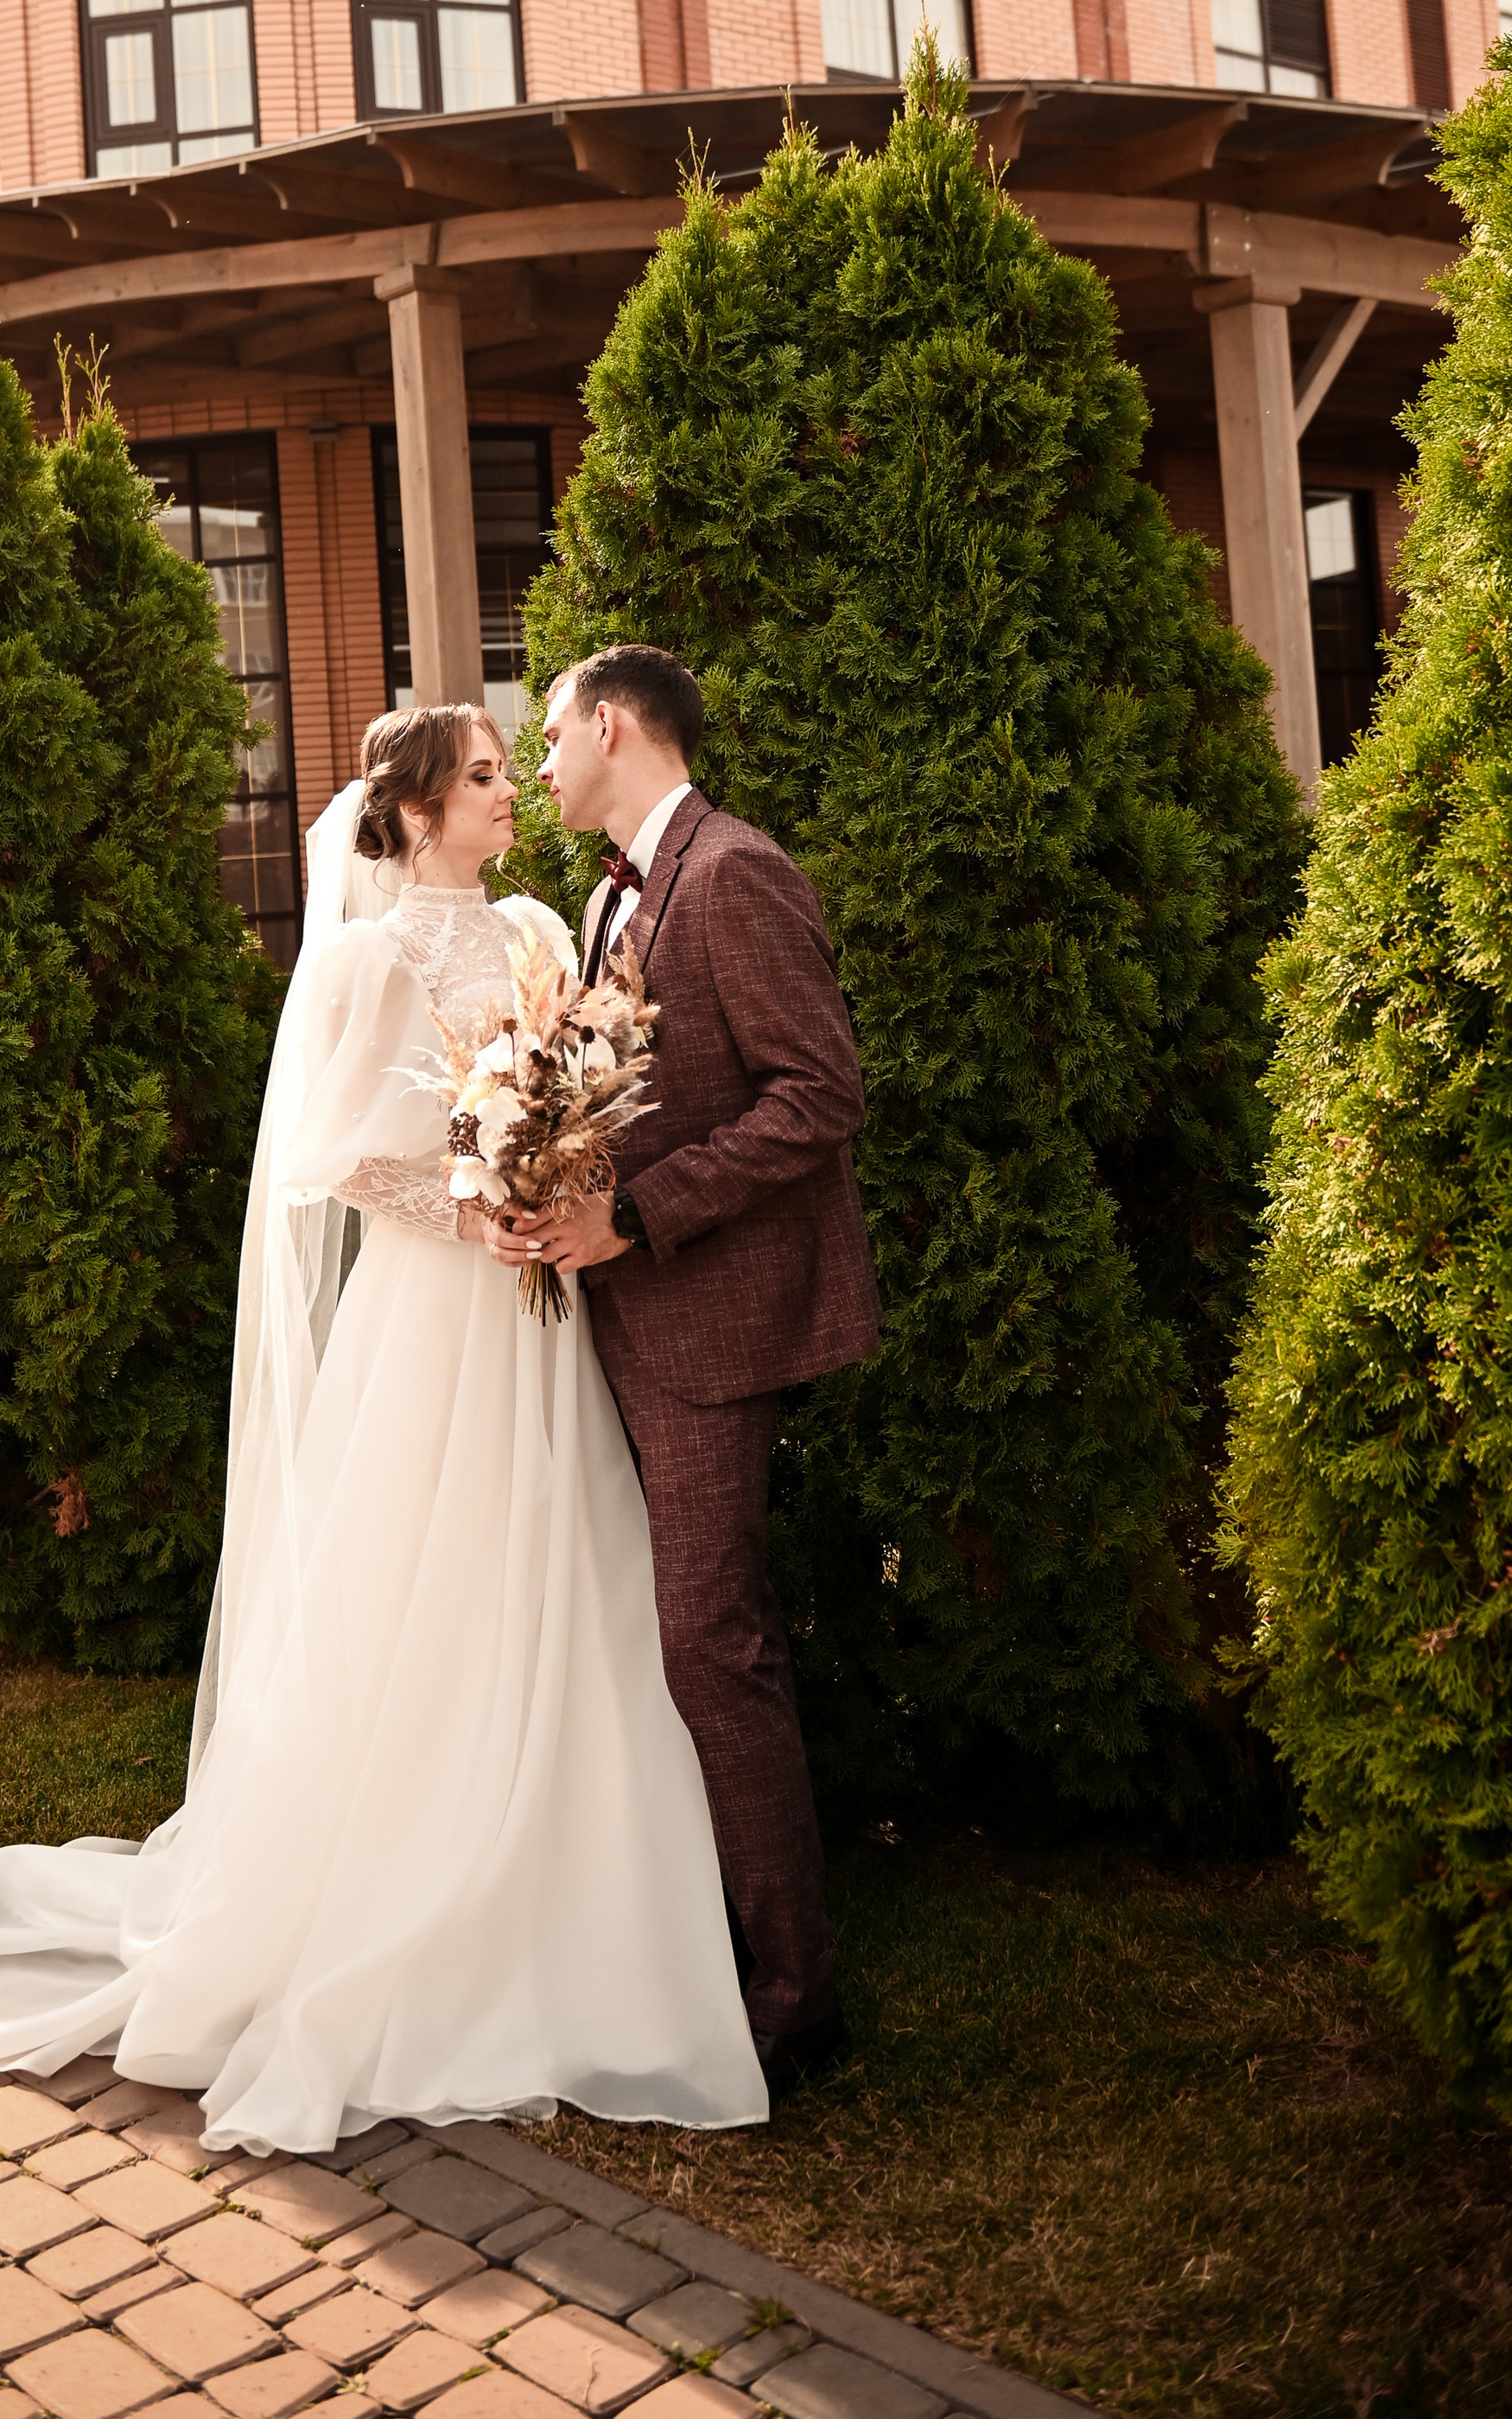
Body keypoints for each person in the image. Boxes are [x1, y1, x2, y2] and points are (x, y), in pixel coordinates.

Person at [0, 701, 765, 2156]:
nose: (505, 796)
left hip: (545, 1314)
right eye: (482, 778)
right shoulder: (366, 960)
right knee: (421, 1577)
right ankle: (406, 1871)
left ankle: (579, 1879)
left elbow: (585, 1085)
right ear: (412, 811)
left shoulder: (545, 929)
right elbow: (336, 1160)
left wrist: (558, 1173)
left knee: (567, 1564)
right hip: (438, 1314)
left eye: (504, 772)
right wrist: (477, 1207)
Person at [489, 646, 879, 2094]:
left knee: (714, 1644)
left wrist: (636, 1214)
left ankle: (796, 1998)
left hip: (713, 1331)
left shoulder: (736, 874)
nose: (537, 764)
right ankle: (691, 1931)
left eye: (547, 736)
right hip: (623, 1321)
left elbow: (821, 1094)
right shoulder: (604, 895)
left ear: (608, 726)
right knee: (662, 1643)